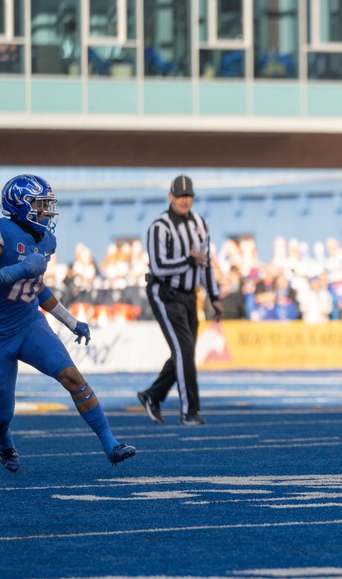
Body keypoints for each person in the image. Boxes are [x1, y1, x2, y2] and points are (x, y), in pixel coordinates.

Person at [0, 174, 136, 471]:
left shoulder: (46, 240)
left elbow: (36, 289)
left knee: (72, 377)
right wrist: (18, 270)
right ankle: (4, 441)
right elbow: (21, 277)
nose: (47, 212)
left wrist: (71, 321)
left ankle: (110, 443)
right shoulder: (3, 233)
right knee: (2, 414)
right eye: (40, 205)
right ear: (20, 205)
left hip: (28, 325)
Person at [137, 175, 223, 426]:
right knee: (184, 351)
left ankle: (152, 395)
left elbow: (205, 264)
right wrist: (189, 260)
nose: (185, 200)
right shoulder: (159, 227)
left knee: (184, 352)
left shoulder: (200, 223)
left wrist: (214, 297)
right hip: (164, 293)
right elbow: (159, 266)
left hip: (189, 295)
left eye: (189, 196)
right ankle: (189, 412)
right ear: (170, 197)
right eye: (180, 195)